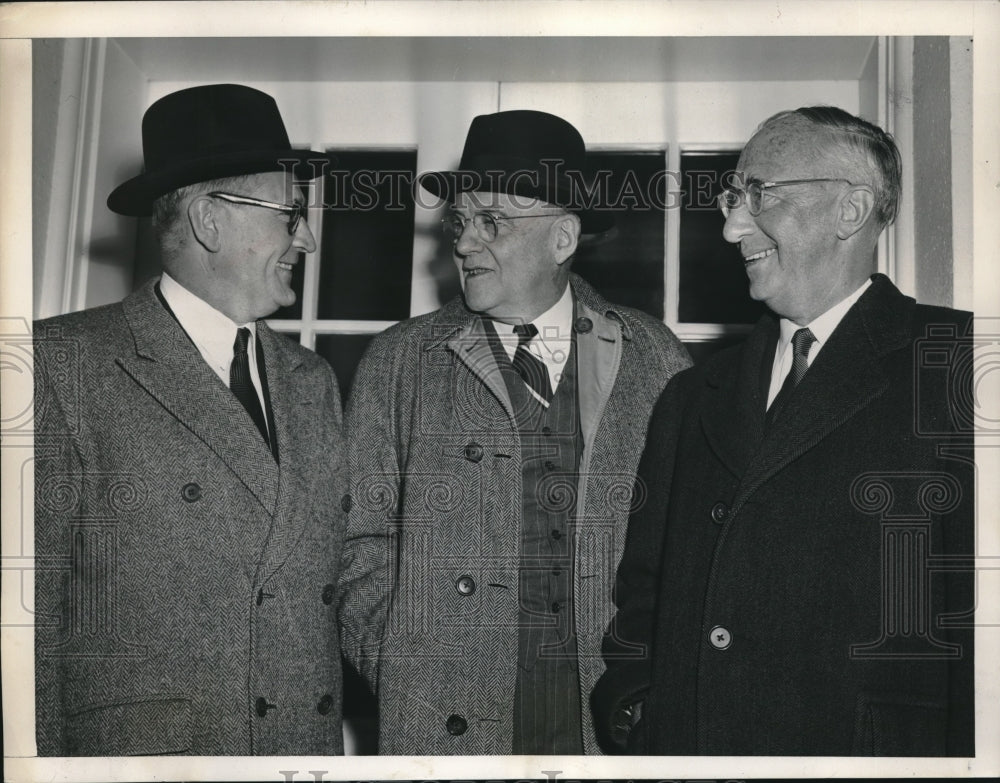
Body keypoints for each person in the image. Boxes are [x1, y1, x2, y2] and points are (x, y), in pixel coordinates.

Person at [592, 106, 975, 756]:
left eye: (758, 193)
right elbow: (643, 592)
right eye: (732, 197)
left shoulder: (955, 362)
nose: (732, 223)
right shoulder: (691, 396)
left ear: (849, 210)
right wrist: (634, 704)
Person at [338, 109, 691, 754]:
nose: (465, 243)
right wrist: (401, 666)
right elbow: (361, 541)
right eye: (460, 221)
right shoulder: (399, 363)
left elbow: (683, 546)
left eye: (491, 222)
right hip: (446, 729)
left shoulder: (654, 357)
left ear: (562, 239)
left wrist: (649, 683)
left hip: (605, 726)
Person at [34, 84, 348, 756]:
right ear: (211, 220)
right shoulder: (62, 362)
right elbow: (23, 620)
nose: (309, 237)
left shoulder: (312, 382)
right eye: (291, 215)